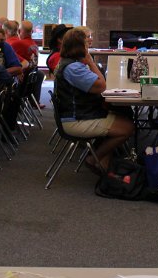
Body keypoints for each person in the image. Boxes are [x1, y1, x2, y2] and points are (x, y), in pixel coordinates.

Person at [53, 28, 134, 172]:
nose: (89, 44)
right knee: (127, 128)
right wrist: (91, 62)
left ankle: (104, 162)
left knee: (124, 112)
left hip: (80, 113)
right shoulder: (74, 68)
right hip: (76, 120)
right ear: (79, 46)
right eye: (86, 42)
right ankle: (93, 159)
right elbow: (102, 86)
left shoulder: (70, 63)